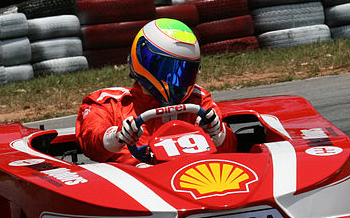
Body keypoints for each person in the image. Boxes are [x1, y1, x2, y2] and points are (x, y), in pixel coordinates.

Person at [76, 18, 236, 164]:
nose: (177, 80)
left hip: (192, 182)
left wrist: (218, 133)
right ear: (145, 60)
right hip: (133, 188)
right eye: (169, 70)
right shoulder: (108, 104)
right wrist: (116, 136)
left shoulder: (199, 101)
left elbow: (231, 150)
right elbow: (91, 141)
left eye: (185, 72)